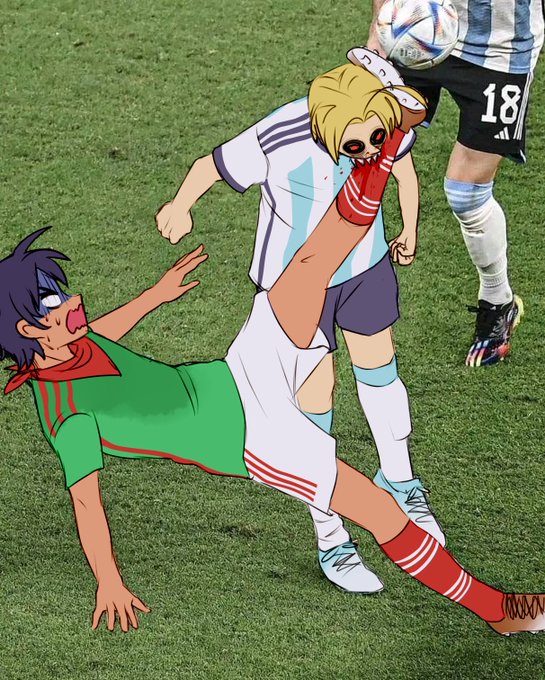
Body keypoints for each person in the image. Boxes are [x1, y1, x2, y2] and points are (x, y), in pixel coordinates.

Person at [3, 217, 545, 635]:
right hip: (254, 439)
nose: (73, 302)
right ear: (28, 329)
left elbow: (104, 333)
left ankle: (379, 146)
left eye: (64, 291)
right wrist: (109, 582)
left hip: (237, 372)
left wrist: (156, 294)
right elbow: (86, 503)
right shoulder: (67, 416)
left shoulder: (72, 344)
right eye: (54, 301)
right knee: (379, 510)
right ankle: (498, 610)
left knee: (308, 264)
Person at [155, 53, 444, 594]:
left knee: (381, 373)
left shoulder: (381, 118)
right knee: (315, 403)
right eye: (356, 146)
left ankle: (400, 480)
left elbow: (401, 165)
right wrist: (180, 205)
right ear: (328, 131)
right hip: (295, 291)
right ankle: (331, 537)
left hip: (365, 266)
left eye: (376, 139)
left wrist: (409, 225)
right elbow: (211, 165)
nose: (371, 152)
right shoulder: (279, 135)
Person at [368, 0, 544, 367]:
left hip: (501, 48)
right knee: (362, 144)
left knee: (466, 194)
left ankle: (497, 301)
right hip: (417, 23)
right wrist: (380, 27)